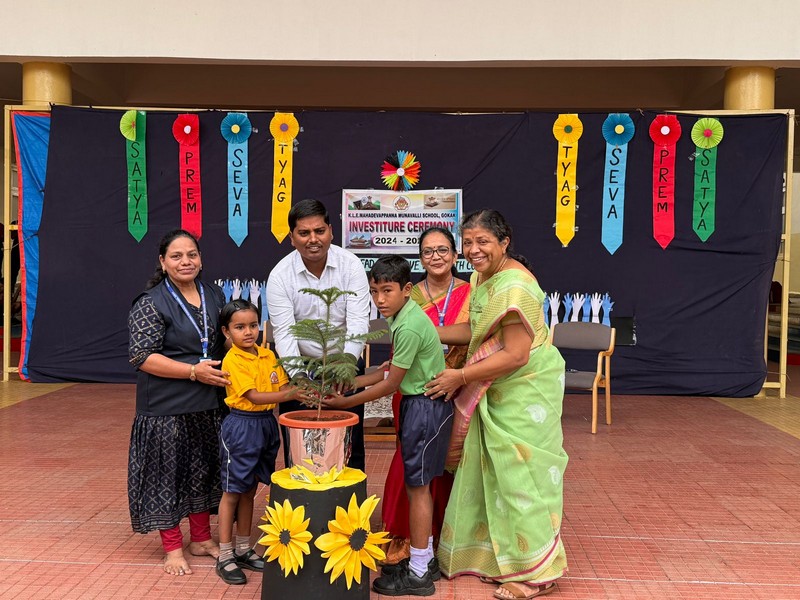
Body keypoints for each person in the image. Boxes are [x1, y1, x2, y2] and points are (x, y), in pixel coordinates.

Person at [425, 209, 568, 599]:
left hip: (523, 390)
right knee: (491, 473)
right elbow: (476, 328)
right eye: (468, 242)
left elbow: (517, 354)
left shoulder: (515, 286)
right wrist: (426, 330)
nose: (473, 250)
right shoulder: (483, 278)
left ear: (505, 243)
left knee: (521, 476)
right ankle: (496, 557)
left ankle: (536, 573)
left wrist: (460, 377)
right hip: (495, 388)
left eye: (482, 241)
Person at [326, 255, 453, 597]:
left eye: (387, 290)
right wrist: (351, 382)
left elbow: (391, 384)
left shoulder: (409, 325)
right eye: (374, 291)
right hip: (420, 407)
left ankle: (419, 571)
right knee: (418, 486)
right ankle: (421, 560)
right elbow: (386, 371)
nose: (380, 299)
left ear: (407, 289)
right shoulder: (402, 317)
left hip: (424, 409)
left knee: (418, 488)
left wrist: (346, 404)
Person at [127, 229, 231, 576]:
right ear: (163, 262)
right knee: (166, 477)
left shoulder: (214, 294)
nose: (185, 261)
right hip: (166, 407)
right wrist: (192, 372)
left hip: (209, 403)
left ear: (200, 259)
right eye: (176, 256)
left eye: (192, 255)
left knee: (203, 472)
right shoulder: (151, 302)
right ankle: (172, 547)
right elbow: (141, 356)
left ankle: (201, 539)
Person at [381, 227, 470, 566]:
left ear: (455, 255)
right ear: (420, 258)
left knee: (450, 461)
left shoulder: (469, 291)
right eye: (429, 251)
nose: (436, 256)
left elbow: (471, 331)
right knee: (412, 460)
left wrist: (425, 333)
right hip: (415, 389)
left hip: (458, 386)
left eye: (443, 250)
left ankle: (446, 534)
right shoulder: (407, 294)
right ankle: (406, 534)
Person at [267, 198, 370, 470]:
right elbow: (285, 333)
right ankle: (300, 506)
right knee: (299, 445)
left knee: (350, 442)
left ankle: (351, 508)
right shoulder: (280, 276)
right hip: (301, 367)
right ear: (292, 238)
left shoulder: (351, 265)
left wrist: (346, 363)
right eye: (304, 233)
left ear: (331, 231)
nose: (313, 239)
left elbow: (359, 319)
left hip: (345, 363)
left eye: (319, 231)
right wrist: (299, 378)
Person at [215, 299, 312, 585]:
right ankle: (225, 555)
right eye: (240, 327)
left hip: (266, 424)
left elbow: (283, 386)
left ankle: (244, 548)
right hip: (242, 426)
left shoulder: (268, 355)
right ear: (226, 331)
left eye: (254, 325)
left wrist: (304, 391)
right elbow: (255, 397)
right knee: (233, 490)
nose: (248, 332)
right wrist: (292, 395)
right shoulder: (232, 359)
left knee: (251, 488)